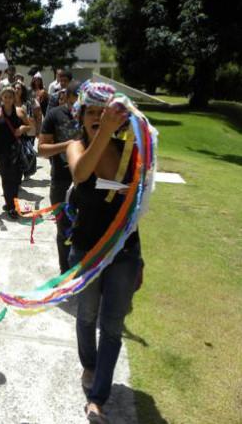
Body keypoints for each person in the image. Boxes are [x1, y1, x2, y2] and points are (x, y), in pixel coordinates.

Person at [65, 81, 142, 423]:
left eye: (103, 112)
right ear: (81, 116)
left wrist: (140, 259)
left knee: (112, 325)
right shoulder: (75, 146)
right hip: (87, 249)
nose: (97, 117)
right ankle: (90, 364)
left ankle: (98, 398)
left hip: (123, 250)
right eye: (91, 112)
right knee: (86, 314)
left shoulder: (127, 151)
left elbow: (133, 209)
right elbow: (82, 172)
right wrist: (102, 132)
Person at [38, 80, 81, 273]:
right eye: (75, 102)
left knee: (86, 228)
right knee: (63, 229)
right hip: (61, 180)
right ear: (66, 97)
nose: (77, 107)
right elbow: (42, 150)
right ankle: (66, 272)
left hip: (88, 181)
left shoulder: (92, 116)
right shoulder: (54, 115)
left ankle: (83, 271)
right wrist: (67, 145)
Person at [0, 86, 33, 219]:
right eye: (5, 97)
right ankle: (12, 206)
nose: (7, 99)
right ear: (1, 98)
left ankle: (11, 201)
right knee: (6, 178)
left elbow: (30, 126)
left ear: (14, 98)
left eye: (10, 97)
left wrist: (23, 128)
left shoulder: (20, 112)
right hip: (0, 150)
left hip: (16, 149)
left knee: (16, 178)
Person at [13, 81, 41, 145]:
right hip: (14, 133)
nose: (16, 90)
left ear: (22, 91)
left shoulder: (28, 104)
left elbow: (37, 117)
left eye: (18, 88)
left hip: (29, 134)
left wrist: (38, 131)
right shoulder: (10, 104)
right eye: (14, 88)